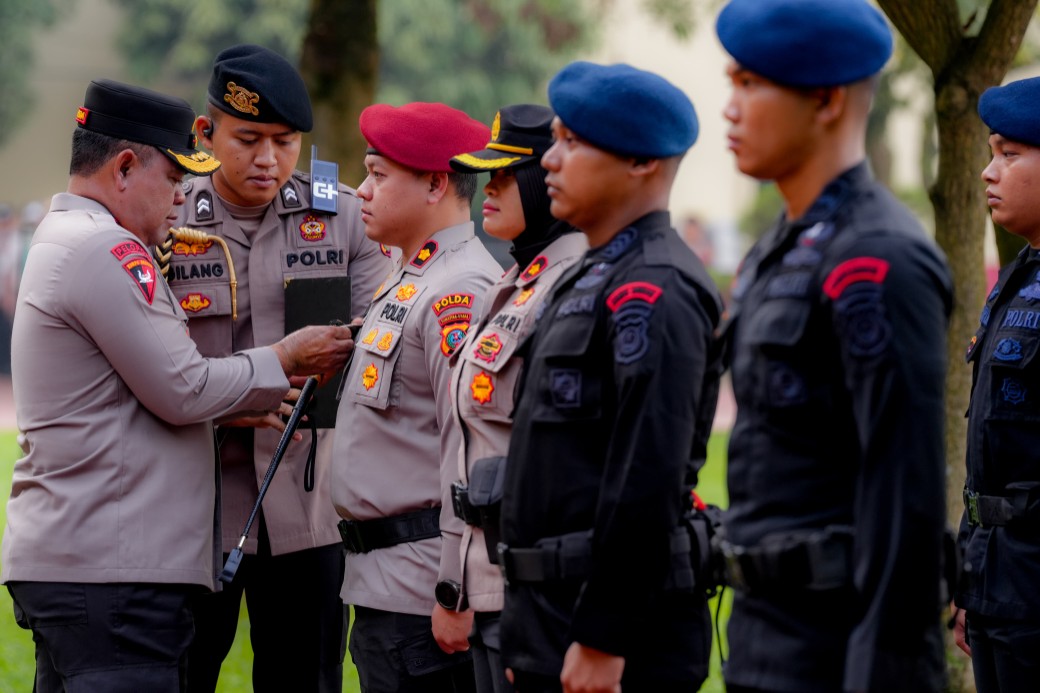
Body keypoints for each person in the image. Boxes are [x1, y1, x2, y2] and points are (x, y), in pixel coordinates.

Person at [2, 78, 355, 693]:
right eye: (172, 178)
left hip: (90, 561)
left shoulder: (65, 238)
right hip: (111, 574)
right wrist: (282, 357)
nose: (179, 196)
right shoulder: (108, 250)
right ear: (124, 167)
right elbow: (184, 387)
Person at [714, 0, 954, 691]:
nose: (729, 107)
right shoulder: (778, 249)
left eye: (750, 84)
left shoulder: (877, 257)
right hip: (767, 636)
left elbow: (902, 506)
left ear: (823, 99)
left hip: (837, 650)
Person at [160, 44, 389, 693]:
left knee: (306, 678)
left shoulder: (342, 217)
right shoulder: (170, 219)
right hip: (195, 506)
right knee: (179, 674)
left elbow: (377, 332)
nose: (268, 160)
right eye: (249, 139)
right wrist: (232, 392)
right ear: (206, 133)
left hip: (309, 510)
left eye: (285, 142)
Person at [497, 62, 723, 693]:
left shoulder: (657, 288)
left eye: (572, 142)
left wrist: (603, 636)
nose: (549, 161)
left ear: (640, 163)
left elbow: (647, 475)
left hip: (613, 640)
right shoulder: (588, 274)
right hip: (551, 619)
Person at [330, 101, 499, 692]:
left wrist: (456, 586)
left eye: (377, 175)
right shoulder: (413, 278)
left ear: (435, 183)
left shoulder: (460, 291)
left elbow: (473, 448)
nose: (360, 191)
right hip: (387, 584)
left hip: (424, 587)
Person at [440, 104, 588, 693]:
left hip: (534, 590)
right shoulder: (513, 281)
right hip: (488, 581)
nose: (487, 190)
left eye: (504, 176)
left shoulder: (571, 283)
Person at [952, 75, 1040, 692]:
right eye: (989, 153)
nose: (989, 171)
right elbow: (985, 452)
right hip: (998, 586)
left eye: (1010, 154)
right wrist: (968, 580)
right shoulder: (1016, 277)